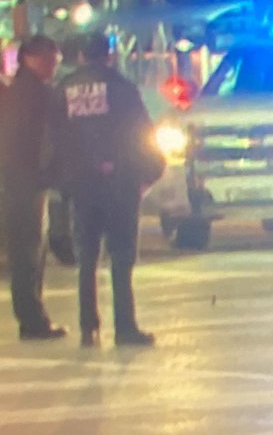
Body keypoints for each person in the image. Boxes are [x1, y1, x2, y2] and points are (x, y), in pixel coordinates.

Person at [51, 33, 164, 347]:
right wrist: (150, 173)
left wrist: (63, 181)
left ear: (82, 57)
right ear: (109, 56)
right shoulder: (122, 89)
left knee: (86, 258)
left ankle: (88, 327)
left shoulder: (64, 90)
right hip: (119, 183)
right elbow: (141, 134)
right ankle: (125, 327)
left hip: (82, 185)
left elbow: (54, 139)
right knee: (121, 256)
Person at [0, 35, 68, 340]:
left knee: (27, 251)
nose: (53, 67)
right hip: (26, 181)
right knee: (27, 251)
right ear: (31, 58)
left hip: (20, 179)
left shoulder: (16, 91)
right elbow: (40, 141)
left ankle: (32, 316)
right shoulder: (34, 94)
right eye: (49, 60)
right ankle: (32, 319)